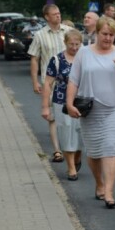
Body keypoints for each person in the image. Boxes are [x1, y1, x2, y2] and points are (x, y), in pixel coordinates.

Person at [66, 16, 115, 209]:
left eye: (112, 35)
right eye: (105, 34)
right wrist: (70, 104)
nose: (108, 38)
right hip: (90, 109)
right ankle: (100, 184)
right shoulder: (84, 53)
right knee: (94, 152)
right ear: (97, 33)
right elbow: (74, 81)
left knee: (111, 147)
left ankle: (109, 192)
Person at [28, 4, 71, 163]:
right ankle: (57, 150)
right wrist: (35, 81)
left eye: (59, 13)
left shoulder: (68, 31)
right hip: (50, 82)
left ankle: (70, 147)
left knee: (69, 115)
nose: (58, 16)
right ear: (47, 16)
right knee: (52, 117)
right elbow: (34, 58)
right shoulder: (39, 35)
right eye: (54, 14)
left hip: (70, 81)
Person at [41, 29, 84, 181]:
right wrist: (45, 106)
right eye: (71, 44)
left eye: (77, 44)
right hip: (61, 101)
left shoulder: (86, 58)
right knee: (66, 133)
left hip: (82, 102)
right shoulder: (57, 59)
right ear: (65, 43)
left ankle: (78, 156)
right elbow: (47, 83)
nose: (74, 47)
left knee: (81, 134)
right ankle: (71, 167)